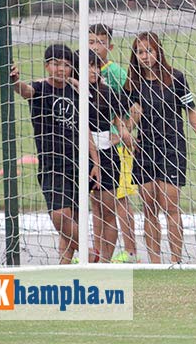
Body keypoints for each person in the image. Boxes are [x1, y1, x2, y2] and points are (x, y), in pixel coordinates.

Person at [124, 32, 196, 264]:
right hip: (144, 150)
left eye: (149, 51)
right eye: (140, 52)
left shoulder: (176, 78)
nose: (145, 56)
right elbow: (125, 120)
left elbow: (191, 111)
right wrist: (126, 134)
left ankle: (176, 260)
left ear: (158, 52)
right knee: (149, 207)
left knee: (170, 205)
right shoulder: (132, 83)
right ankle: (154, 262)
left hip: (172, 148)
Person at [10, 44, 101, 264]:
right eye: (56, 64)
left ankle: (65, 269)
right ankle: (88, 252)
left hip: (79, 163)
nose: (61, 69)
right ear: (47, 66)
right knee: (60, 216)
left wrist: (95, 161)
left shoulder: (76, 91)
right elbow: (25, 91)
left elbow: (85, 127)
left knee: (74, 219)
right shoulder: (40, 89)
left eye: (67, 65)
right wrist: (14, 81)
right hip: (52, 164)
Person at [89, 23, 140, 263]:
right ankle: (99, 251)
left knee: (120, 199)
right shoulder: (81, 74)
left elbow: (135, 106)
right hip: (94, 148)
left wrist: (123, 133)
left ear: (109, 46)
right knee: (97, 202)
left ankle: (130, 252)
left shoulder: (117, 74)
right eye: (90, 42)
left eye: (99, 42)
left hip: (117, 149)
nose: (94, 47)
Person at [81, 49, 133, 263]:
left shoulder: (109, 93)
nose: (93, 71)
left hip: (107, 156)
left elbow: (120, 122)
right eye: (88, 66)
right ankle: (93, 253)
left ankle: (105, 260)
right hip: (81, 155)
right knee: (94, 208)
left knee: (108, 208)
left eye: (96, 66)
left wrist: (123, 137)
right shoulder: (73, 92)